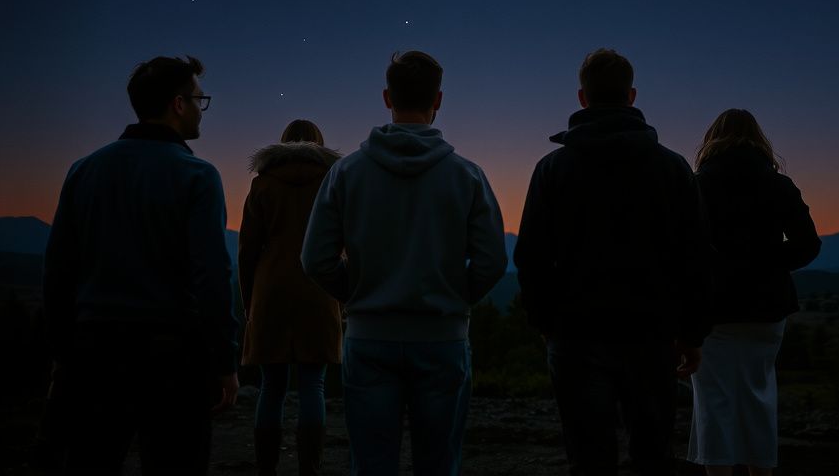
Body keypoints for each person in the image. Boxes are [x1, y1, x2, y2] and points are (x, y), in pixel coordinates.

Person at [301, 50, 507, 476]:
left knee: (372, 466)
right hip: (442, 339)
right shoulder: (466, 175)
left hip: (370, 338)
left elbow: (315, 258)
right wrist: (453, 296)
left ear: (386, 97)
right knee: (438, 464)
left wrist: (358, 293)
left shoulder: (347, 173)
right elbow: (491, 260)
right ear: (439, 99)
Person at [513, 48, 712, 476]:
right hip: (652, 333)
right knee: (653, 455)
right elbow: (695, 256)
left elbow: (531, 256)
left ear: (582, 98)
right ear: (632, 96)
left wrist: (545, 322)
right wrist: (692, 332)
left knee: (589, 458)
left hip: (575, 334)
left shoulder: (552, 169)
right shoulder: (673, 169)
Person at [42, 55, 238, 476]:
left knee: (90, 462)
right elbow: (212, 276)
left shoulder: (84, 171)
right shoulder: (198, 176)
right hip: (173, 356)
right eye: (199, 100)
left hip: (94, 350)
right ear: (178, 104)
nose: (202, 110)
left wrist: (61, 352)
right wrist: (224, 360)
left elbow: (58, 268)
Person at [686, 108, 821, 476]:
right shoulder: (779, 185)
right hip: (767, 308)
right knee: (759, 396)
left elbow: (683, 250)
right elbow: (808, 245)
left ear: (712, 140)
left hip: (713, 310)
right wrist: (767, 262)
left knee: (714, 401)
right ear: (758, 139)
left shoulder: (696, 185)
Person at [239, 119, 343, 475]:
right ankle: (309, 469)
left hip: (271, 290)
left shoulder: (262, 185)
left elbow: (247, 249)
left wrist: (248, 301)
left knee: (272, 387)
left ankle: (266, 469)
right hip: (319, 286)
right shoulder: (331, 184)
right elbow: (344, 241)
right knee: (313, 384)